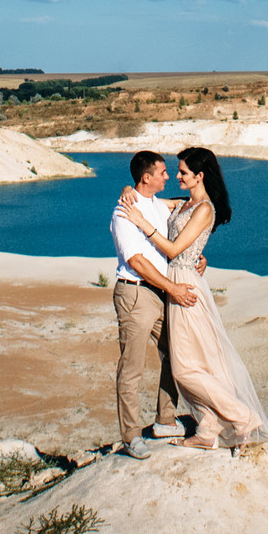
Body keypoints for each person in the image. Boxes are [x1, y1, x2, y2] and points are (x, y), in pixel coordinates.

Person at [116, 145, 268, 450]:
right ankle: (208, 430)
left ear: (200, 176)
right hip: (171, 282)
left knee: (185, 367)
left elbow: (174, 250)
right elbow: (150, 198)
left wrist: (143, 224)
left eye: (183, 172)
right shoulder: (185, 204)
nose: (176, 176)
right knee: (192, 360)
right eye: (173, 171)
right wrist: (127, 188)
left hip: (182, 285)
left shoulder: (204, 209)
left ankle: (244, 417)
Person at [109, 150, 192, 457]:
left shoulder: (157, 205)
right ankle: (131, 437)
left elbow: (187, 204)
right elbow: (137, 261)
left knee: (174, 354)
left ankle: (165, 420)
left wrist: (198, 257)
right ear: (147, 177)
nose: (168, 177)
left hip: (160, 293)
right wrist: (174, 288)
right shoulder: (123, 213)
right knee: (132, 367)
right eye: (162, 173)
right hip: (136, 294)